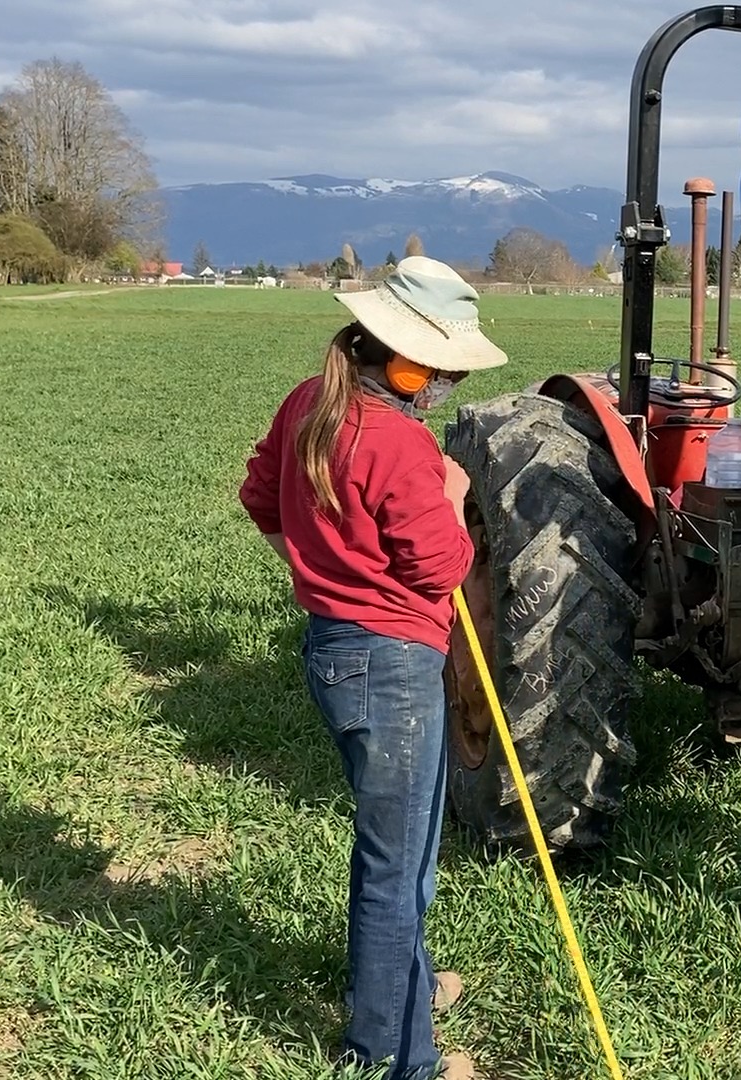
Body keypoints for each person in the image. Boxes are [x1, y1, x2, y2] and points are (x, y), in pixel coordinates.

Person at [238, 256, 509, 1080]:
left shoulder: (311, 403)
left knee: (409, 849)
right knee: (398, 865)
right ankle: (394, 1057)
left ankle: (406, 986)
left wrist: (324, 580)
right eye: (441, 370)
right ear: (400, 357)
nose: (447, 385)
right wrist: (458, 494)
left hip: (337, 653)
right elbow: (441, 568)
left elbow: (260, 498)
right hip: (392, 669)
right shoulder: (398, 441)